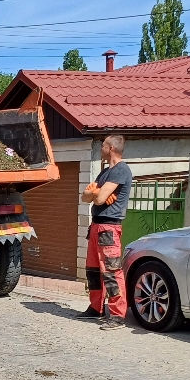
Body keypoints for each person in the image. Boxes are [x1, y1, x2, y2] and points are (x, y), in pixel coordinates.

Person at [79, 135, 133, 330]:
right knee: (93, 270)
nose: (100, 148)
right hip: (96, 226)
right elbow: (86, 197)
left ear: (110, 148)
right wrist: (95, 193)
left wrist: (97, 194)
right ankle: (96, 308)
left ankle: (117, 315)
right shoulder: (104, 172)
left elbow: (100, 198)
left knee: (111, 271)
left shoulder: (121, 170)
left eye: (103, 145)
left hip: (109, 227)